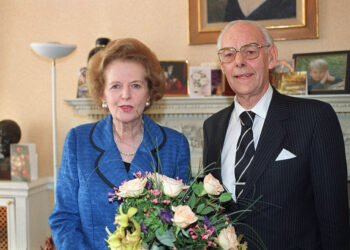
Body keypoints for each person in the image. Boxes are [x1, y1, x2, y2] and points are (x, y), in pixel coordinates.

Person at [203, 20, 349, 249]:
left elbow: (334, 218)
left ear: (271, 57)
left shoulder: (315, 118)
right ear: (222, 64)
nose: (239, 62)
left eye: (250, 51)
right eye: (229, 55)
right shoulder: (212, 127)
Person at [49, 38, 191, 249]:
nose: (126, 95)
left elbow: (185, 222)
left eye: (136, 85)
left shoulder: (175, 145)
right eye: (115, 86)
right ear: (102, 94)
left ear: (149, 93)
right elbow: (64, 219)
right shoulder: (78, 141)